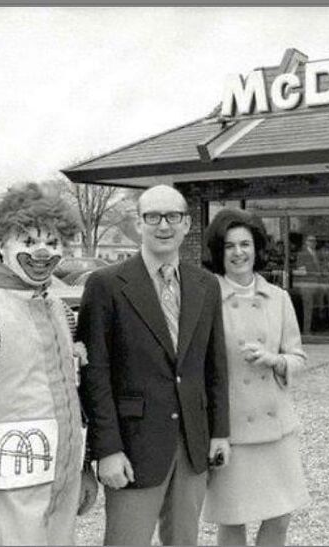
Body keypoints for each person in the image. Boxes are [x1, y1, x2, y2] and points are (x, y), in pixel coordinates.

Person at [0, 182, 98, 545]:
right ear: (1, 244)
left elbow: (75, 401)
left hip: (55, 500)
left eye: (53, 241)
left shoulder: (60, 311)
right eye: (27, 241)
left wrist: (83, 467)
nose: (42, 251)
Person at [77, 184, 231, 546]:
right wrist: (107, 449)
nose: (164, 225)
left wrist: (219, 431)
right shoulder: (106, 285)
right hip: (132, 447)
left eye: (173, 216)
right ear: (138, 223)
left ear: (187, 223)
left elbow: (215, 365)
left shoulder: (206, 284)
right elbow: (94, 375)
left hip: (193, 443)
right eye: (153, 217)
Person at [201, 208, 311, 546]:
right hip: (230, 429)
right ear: (219, 252)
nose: (238, 253)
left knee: (280, 515)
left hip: (276, 427)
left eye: (245, 244)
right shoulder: (205, 298)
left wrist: (274, 360)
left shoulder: (278, 298)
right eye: (229, 246)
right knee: (233, 518)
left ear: (256, 247)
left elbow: (297, 357)